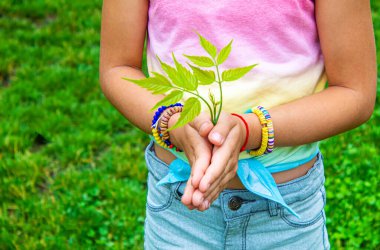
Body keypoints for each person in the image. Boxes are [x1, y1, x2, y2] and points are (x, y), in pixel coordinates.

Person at [99, 0, 377, 249]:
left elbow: (354, 91)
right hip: (179, 214)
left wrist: (252, 130)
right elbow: (118, 67)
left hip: (286, 217)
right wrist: (171, 122)